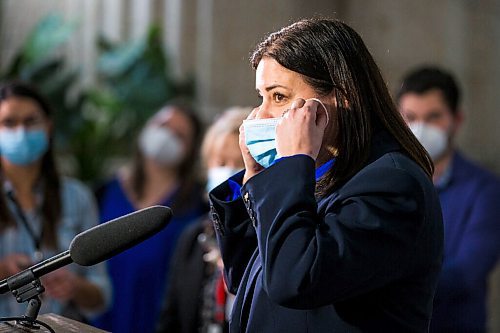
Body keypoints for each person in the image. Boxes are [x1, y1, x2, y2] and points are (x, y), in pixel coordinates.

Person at [208, 18, 444, 333]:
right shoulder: (319, 176)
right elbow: (246, 278)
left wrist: (294, 162)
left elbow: (295, 280)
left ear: (342, 96)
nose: (260, 115)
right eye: (261, 97)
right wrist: (256, 177)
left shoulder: (392, 184)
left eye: (278, 97)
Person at [397, 66, 500, 333]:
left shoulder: (485, 190)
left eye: (433, 117)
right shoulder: (386, 180)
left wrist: (389, 280)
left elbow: (467, 273)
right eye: (410, 117)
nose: (420, 128)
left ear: (457, 119)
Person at [0, 81, 110, 321]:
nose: (21, 131)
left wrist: (74, 286)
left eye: (31, 121)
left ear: (48, 128)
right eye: (9, 123)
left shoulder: (77, 197)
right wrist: (5, 270)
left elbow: (101, 295)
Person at [93, 103, 208, 333]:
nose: (166, 136)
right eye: (162, 125)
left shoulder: (198, 205)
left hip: (161, 323)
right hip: (100, 321)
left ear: (190, 150)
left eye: (179, 135)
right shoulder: (103, 192)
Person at [156, 107, 251, 333]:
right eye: (220, 162)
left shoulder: (266, 237)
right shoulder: (193, 237)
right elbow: (171, 319)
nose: (228, 171)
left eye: (238, 163)